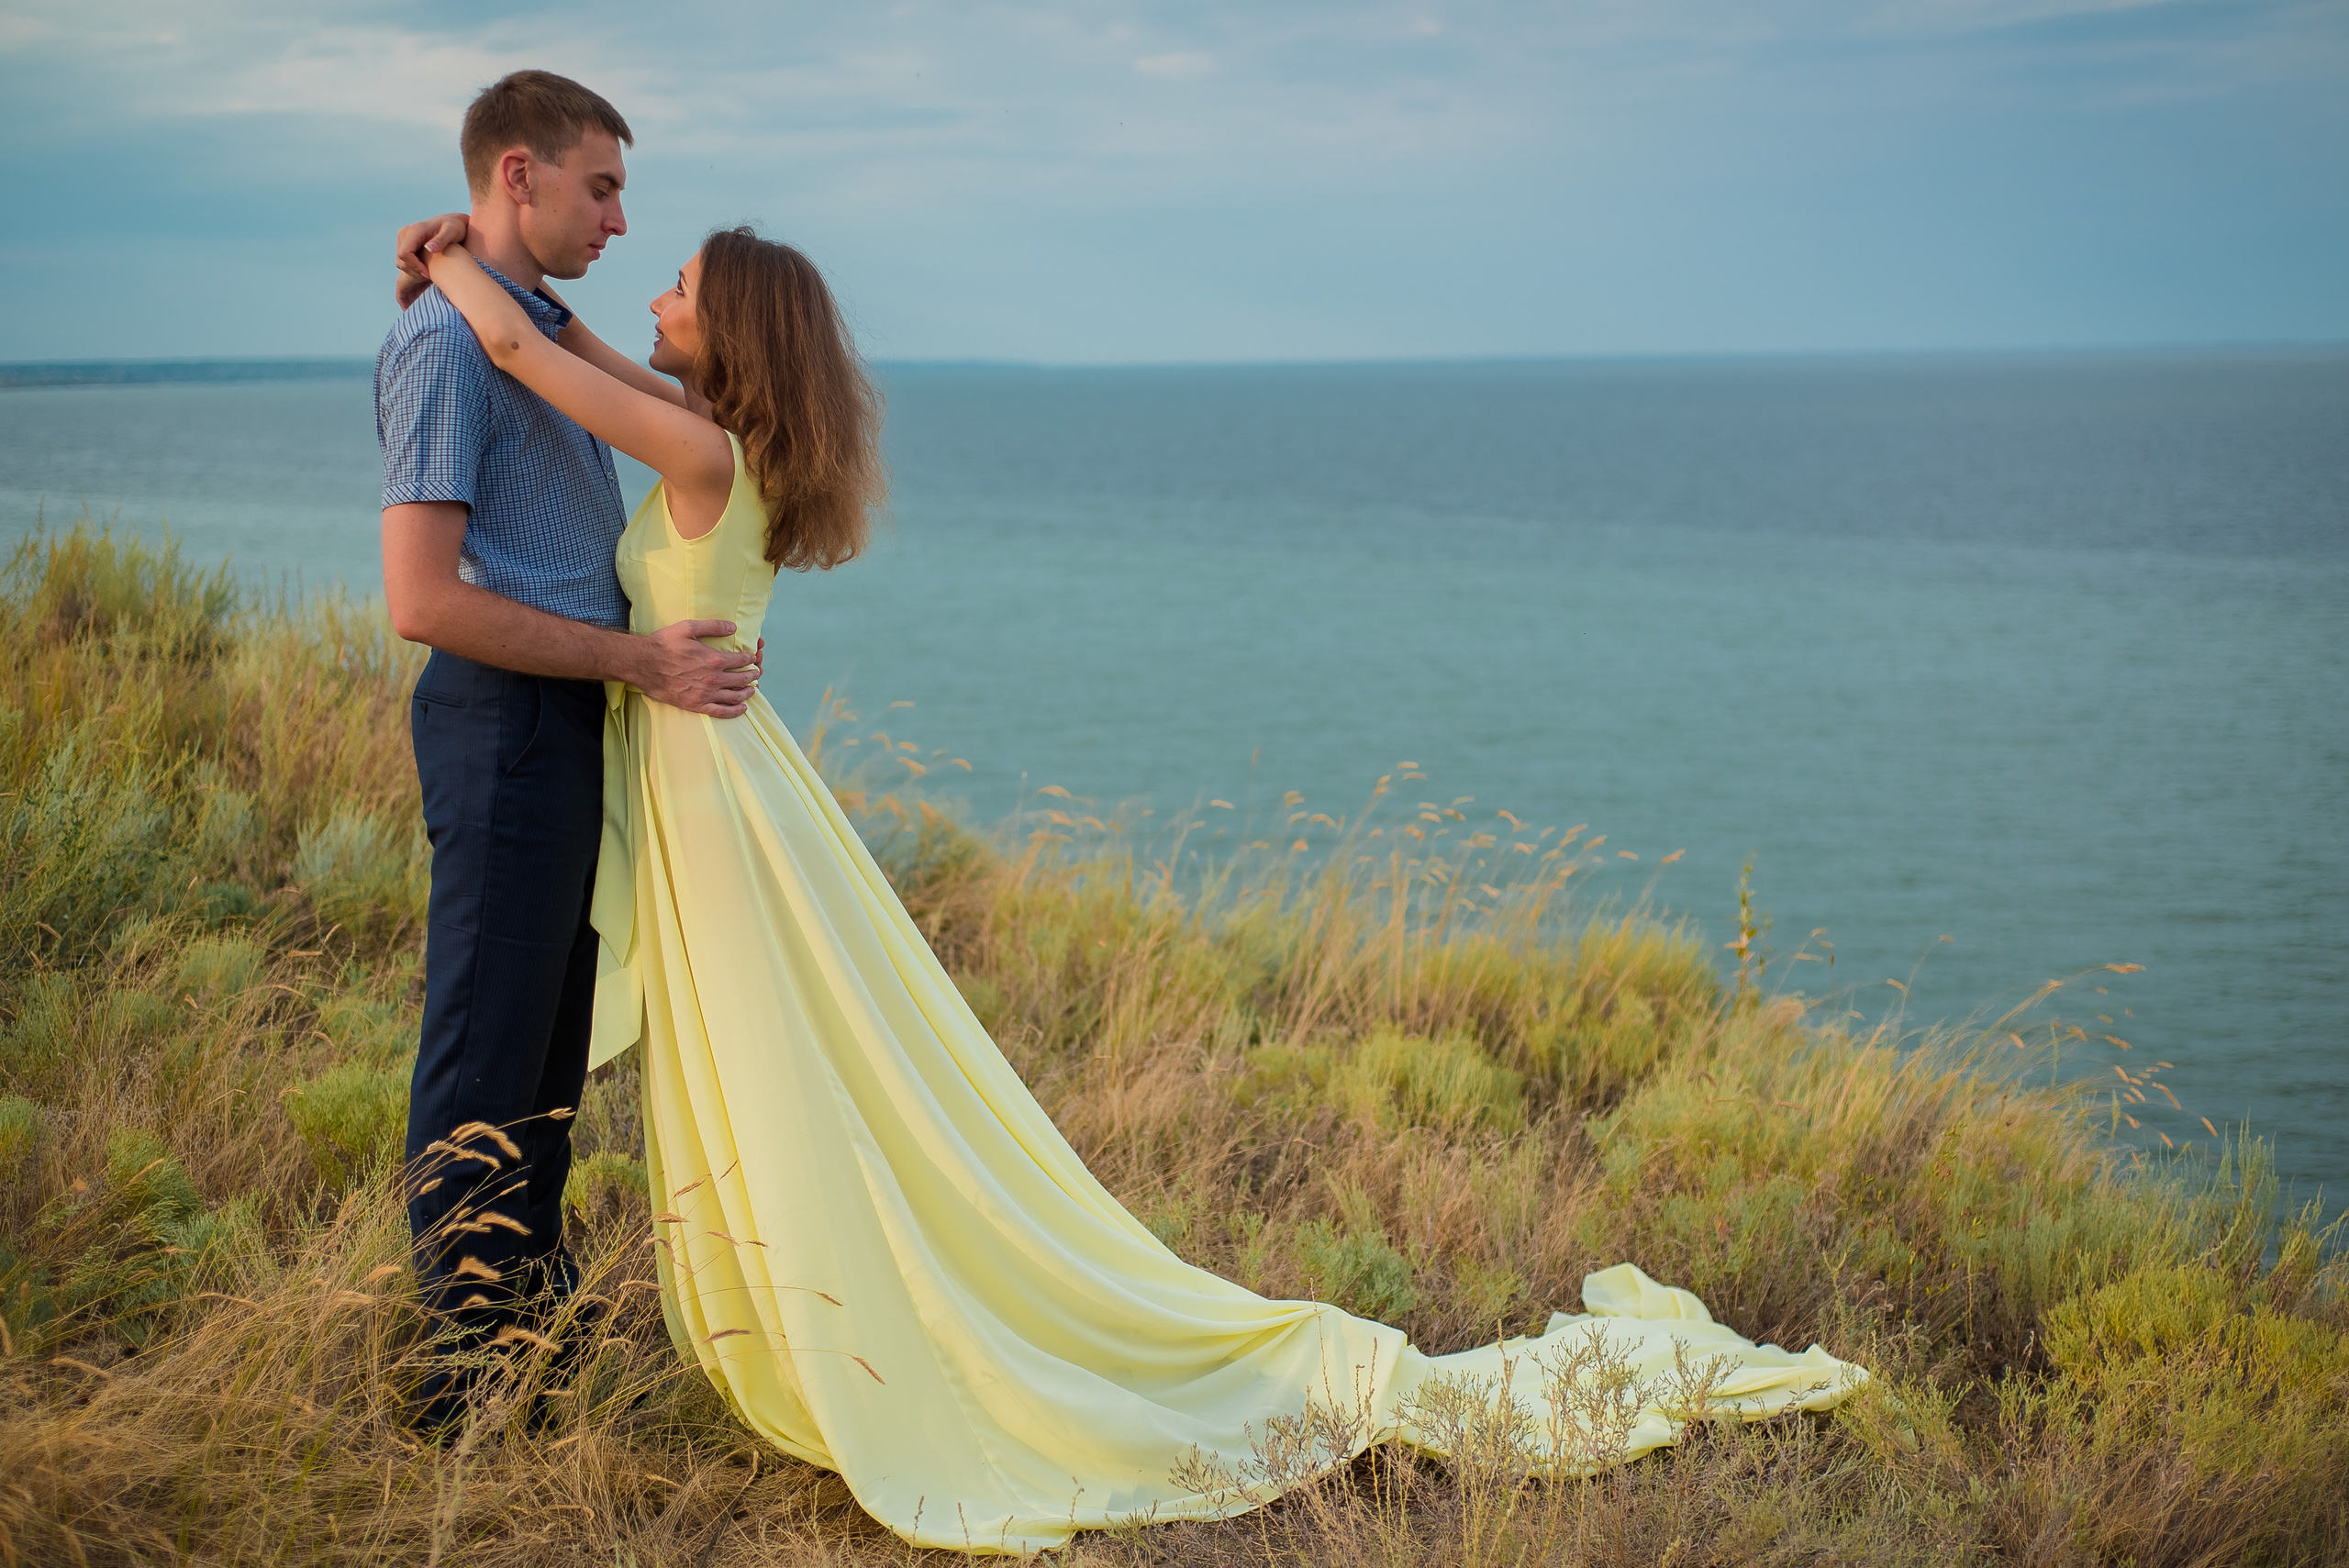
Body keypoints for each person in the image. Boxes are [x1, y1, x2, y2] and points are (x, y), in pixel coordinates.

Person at [395, 215, 1868, 1549]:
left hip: (715, 788)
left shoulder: (702, 460)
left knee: (791, 1071)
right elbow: (565, 343)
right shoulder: (718, 442)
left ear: (735, 338)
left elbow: (525, 343)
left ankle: (861, 1328)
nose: (649, 293)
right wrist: (506, 285)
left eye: (683, 290)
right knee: (794, 1062)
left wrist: (447, 259)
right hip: (716, 770)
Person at [374, 70, 763, 1428]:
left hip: (576, 720)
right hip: (506, 722)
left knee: (546, 1053)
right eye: (600, 186)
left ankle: (527, 1341)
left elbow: (553, 347)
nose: (615, 216)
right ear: (519, 175)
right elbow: (422, 601)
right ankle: (462, 1384)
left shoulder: (525, 325)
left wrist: (456, 261)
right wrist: (636, 660)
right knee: (489, 1045)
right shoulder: (444, 342)